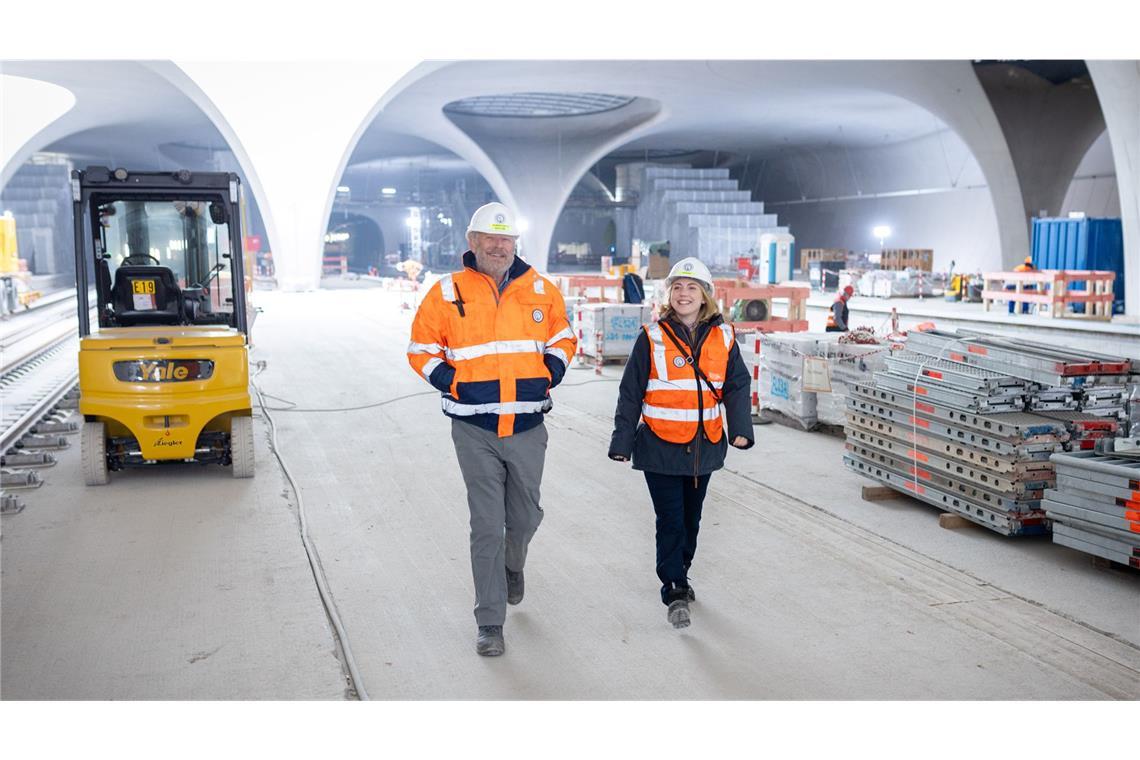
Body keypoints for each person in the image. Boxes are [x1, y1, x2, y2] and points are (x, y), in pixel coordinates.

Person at [407, 202, 577, 657]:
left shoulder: (541, 289)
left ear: (514, 243)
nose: (500, 246)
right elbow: (420, 348)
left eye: (507, 239)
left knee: (522, 518)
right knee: (486, 525)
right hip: (473, 429)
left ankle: (513, 564)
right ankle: (490, 622)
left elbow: (563, 336)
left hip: (526, 426)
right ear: (473, 242)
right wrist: (452, 381)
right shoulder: (445, 293)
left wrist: (551, 372)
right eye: (491, 238)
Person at [608, 257, 754, 629]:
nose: (683, 294)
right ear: (668, 294)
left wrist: (741, 428)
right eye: (677, 287)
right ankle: (673, 587)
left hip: (705, 447)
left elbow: (737, 385)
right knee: (670, 520)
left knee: (692, 519)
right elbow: (630, 393)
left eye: (692, 287)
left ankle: (681, 571)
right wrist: (622, 440)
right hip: (660, 446)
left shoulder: (724, 336)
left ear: (706, 296)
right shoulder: (652, 336)